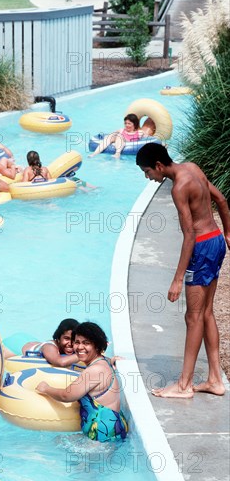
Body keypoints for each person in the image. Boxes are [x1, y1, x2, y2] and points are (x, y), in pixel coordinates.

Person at [136, 142, 230, 398]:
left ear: (158, 165)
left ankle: (184, 384)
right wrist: (228, 233)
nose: (149, 178)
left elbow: (189, 235)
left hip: (201, 247)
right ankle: (214, 380)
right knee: (207, 313)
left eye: (147, 172)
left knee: (193, 316)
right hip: (216, 240)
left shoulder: (178, 188)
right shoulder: (192, 168)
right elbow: (220, 198)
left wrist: (177, 279)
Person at [37, 322, 128, 443]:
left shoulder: (94, 370)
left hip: (102, 432)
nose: (79, 347)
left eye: (86, 343)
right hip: (112, 426)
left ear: (97, 345)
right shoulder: (103, 362)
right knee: (58, 441)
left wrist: (46, 388)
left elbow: (66, 395)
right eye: (77, 342)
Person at [89, 114, 154, 159]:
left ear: (134, 124)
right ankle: (94, 153)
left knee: (120, 136)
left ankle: (117, 154)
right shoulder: (121, 130)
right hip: (119, 141)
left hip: (130, 144)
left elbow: (150, 139)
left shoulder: (139, 133)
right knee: (113, 136)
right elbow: (110, 135)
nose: (127, 125)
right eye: (125, 123)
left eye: (129, 123)